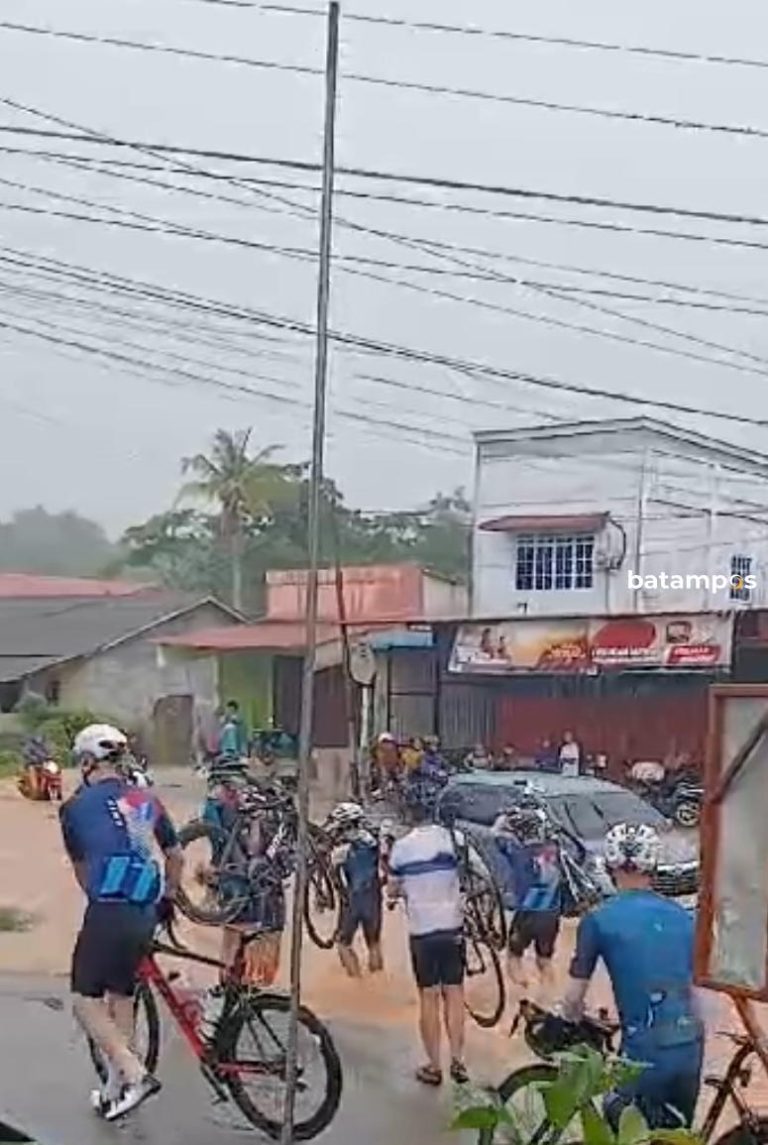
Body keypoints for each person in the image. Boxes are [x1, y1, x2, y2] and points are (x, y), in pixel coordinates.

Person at [59, 724, 183, 1121]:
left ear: (87, 762)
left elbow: (81, 870)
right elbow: (176, 856)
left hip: (109, 907)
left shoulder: (75, 807)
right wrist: (168, 898)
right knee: (121, 995)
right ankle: (116, 1089)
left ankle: (135, 1074)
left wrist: (99, 900)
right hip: (146, 908)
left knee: (84, 999)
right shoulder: (147, 798)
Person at [562, 822, 704, 1130]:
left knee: (614, 1111)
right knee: (675, 1134)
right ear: (653, 864)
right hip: (691, 1046)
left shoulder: (597, 919)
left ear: (611, 864)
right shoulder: (684, 917)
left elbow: (573, 999)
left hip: (645, 1051)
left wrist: (569, 1020)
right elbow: (690, 988)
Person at [387, 792, 468, 1087]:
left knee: (429, 997)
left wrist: (406, 890)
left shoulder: (401, 848)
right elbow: (476, 876)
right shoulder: (454, 839)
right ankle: (458, 1059)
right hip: (453, 928)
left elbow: (392, 890)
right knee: (455, 993)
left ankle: (434, 1066)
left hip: (422, 932)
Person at [201, 764, 286, 988]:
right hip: (236, 879)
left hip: (241, 878)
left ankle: (233, 984)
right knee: (238, 936)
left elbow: (247, 846)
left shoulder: (228, 804)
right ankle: (232, 985)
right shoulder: (218, 806)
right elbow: (235, 845)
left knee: (239, 937)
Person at [492, 795, 570, 999]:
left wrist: (505, 817)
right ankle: (550, 997)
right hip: (551, 915)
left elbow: (495, 835)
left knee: (513, 957)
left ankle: (522, 995)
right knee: (544, 961)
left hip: (527, 914)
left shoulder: (517, 851)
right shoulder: (555, 850)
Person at [326, 802, 384, 978]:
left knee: (343, 943)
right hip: (374, 897)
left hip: (351, 900)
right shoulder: (374, 841)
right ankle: (379, 983)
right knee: (373, 943)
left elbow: (332, 877)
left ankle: (357, 983)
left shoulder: (341, 849)